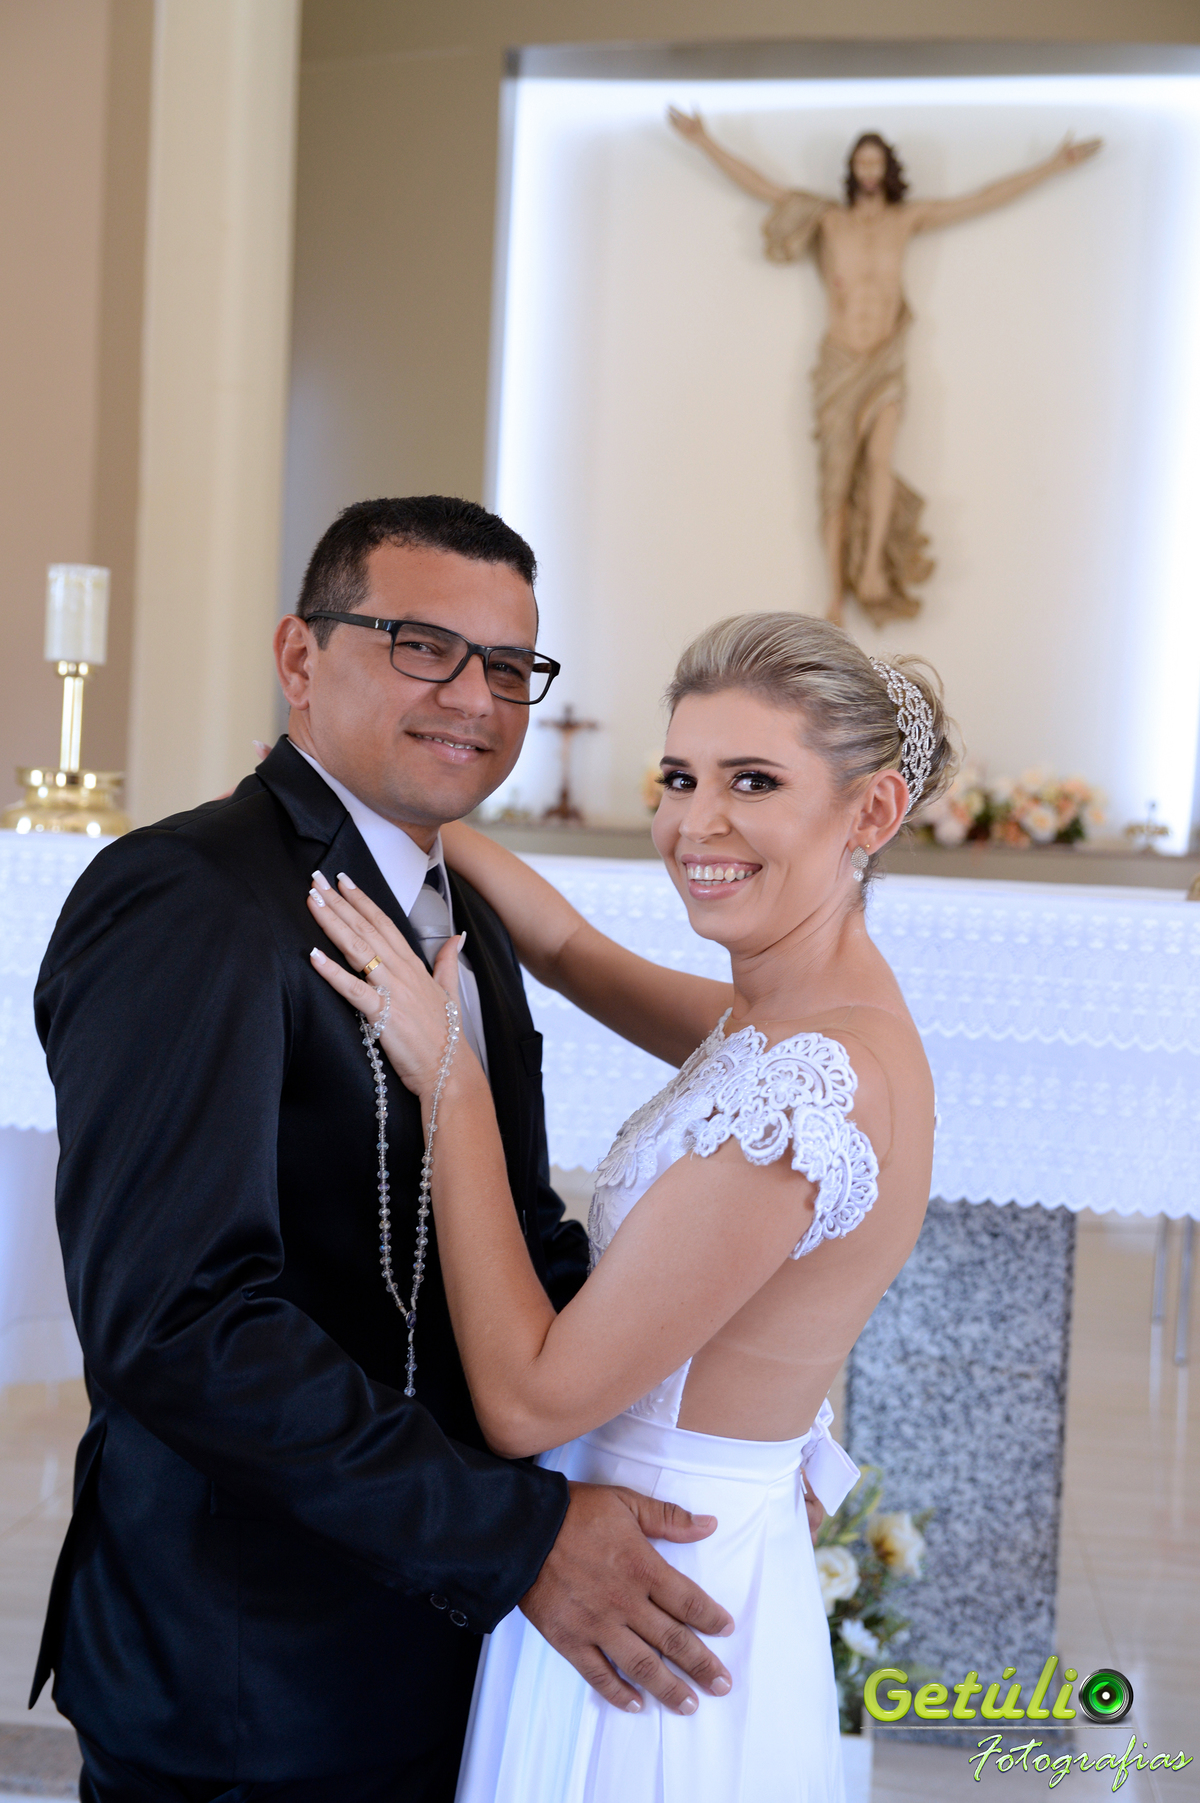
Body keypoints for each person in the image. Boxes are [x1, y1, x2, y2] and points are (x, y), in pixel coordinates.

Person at [32, 496, 734, 1803]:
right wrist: (517, 1537)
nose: (474, 695)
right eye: (423, 645)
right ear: (299, 657)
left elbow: (516, 1234)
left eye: (509, 665)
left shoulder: (462, 911)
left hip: (430, 1646)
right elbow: (180, 1323)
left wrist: (703, 1434)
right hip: (252, 1666)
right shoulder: (191, 897)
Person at [306, 611, 958, 1800]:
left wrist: (451, 1079)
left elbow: (527, 1402)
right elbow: (567, 948)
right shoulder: (787, 1023)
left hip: (650, 1598)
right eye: (680, 778)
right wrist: (393, 807)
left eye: (753, 781)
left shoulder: (812, 1083)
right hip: (668, 1547)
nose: (694, 824)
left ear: (872, 811)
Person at [667, 112, 1102, 626]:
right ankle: (834, 594)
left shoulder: (906, 220)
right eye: (861, 162)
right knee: (833, 479)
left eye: (876, 162)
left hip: (886, 361)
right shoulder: (830, 220)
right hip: (839, 363)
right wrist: (703, 140)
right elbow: (762, 186)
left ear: (888, 168)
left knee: (880, 461)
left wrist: (1053, 165)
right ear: (852, 170)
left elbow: (982, 198)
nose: (869, 171)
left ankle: (872, 566)